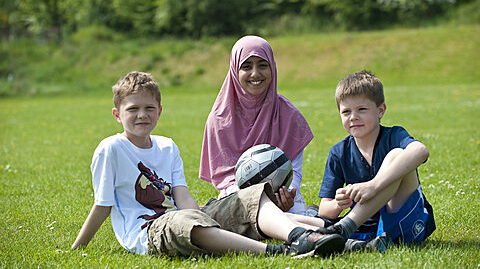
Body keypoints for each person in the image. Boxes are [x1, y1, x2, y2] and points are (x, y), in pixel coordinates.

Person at [71, 71, 345, 257]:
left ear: (160, 111)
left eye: (149, 108)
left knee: (248, 197)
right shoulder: (111, 149)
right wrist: (77, 248)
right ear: (117, 114)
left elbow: (182, 196)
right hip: (150, 233)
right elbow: (103, 205)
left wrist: (208, 212)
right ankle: (278, 251)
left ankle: (320, 233)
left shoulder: (167, 146)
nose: (142, 115)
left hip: (185, 214)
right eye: (133, 109)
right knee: (186, 221)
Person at [315, 70, 436, 251]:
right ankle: (351, 236)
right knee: (305, 220)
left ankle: (345, 228)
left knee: (396, 155)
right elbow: (324, 210)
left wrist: (373, 185)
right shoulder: (338, 152)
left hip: (404, 223)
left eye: (361, 109)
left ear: (380, 110)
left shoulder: (394, 135)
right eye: (346, 111)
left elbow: (420, 151)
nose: (353, 117)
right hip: (367, 231)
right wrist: (338, 203)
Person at [199, 36, 313, 215]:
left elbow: (295, 171)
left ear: (272, 68)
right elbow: (227, 181)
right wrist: (257, 197)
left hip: (281, 195)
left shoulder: (290, 115)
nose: (255, 73)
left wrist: (287, 193)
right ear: (234, 71)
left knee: (294, 213)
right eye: (246, 66)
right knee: (245, 218)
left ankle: (318, 226)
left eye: (262, 65)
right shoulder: (219, 118)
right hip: (237, 196)